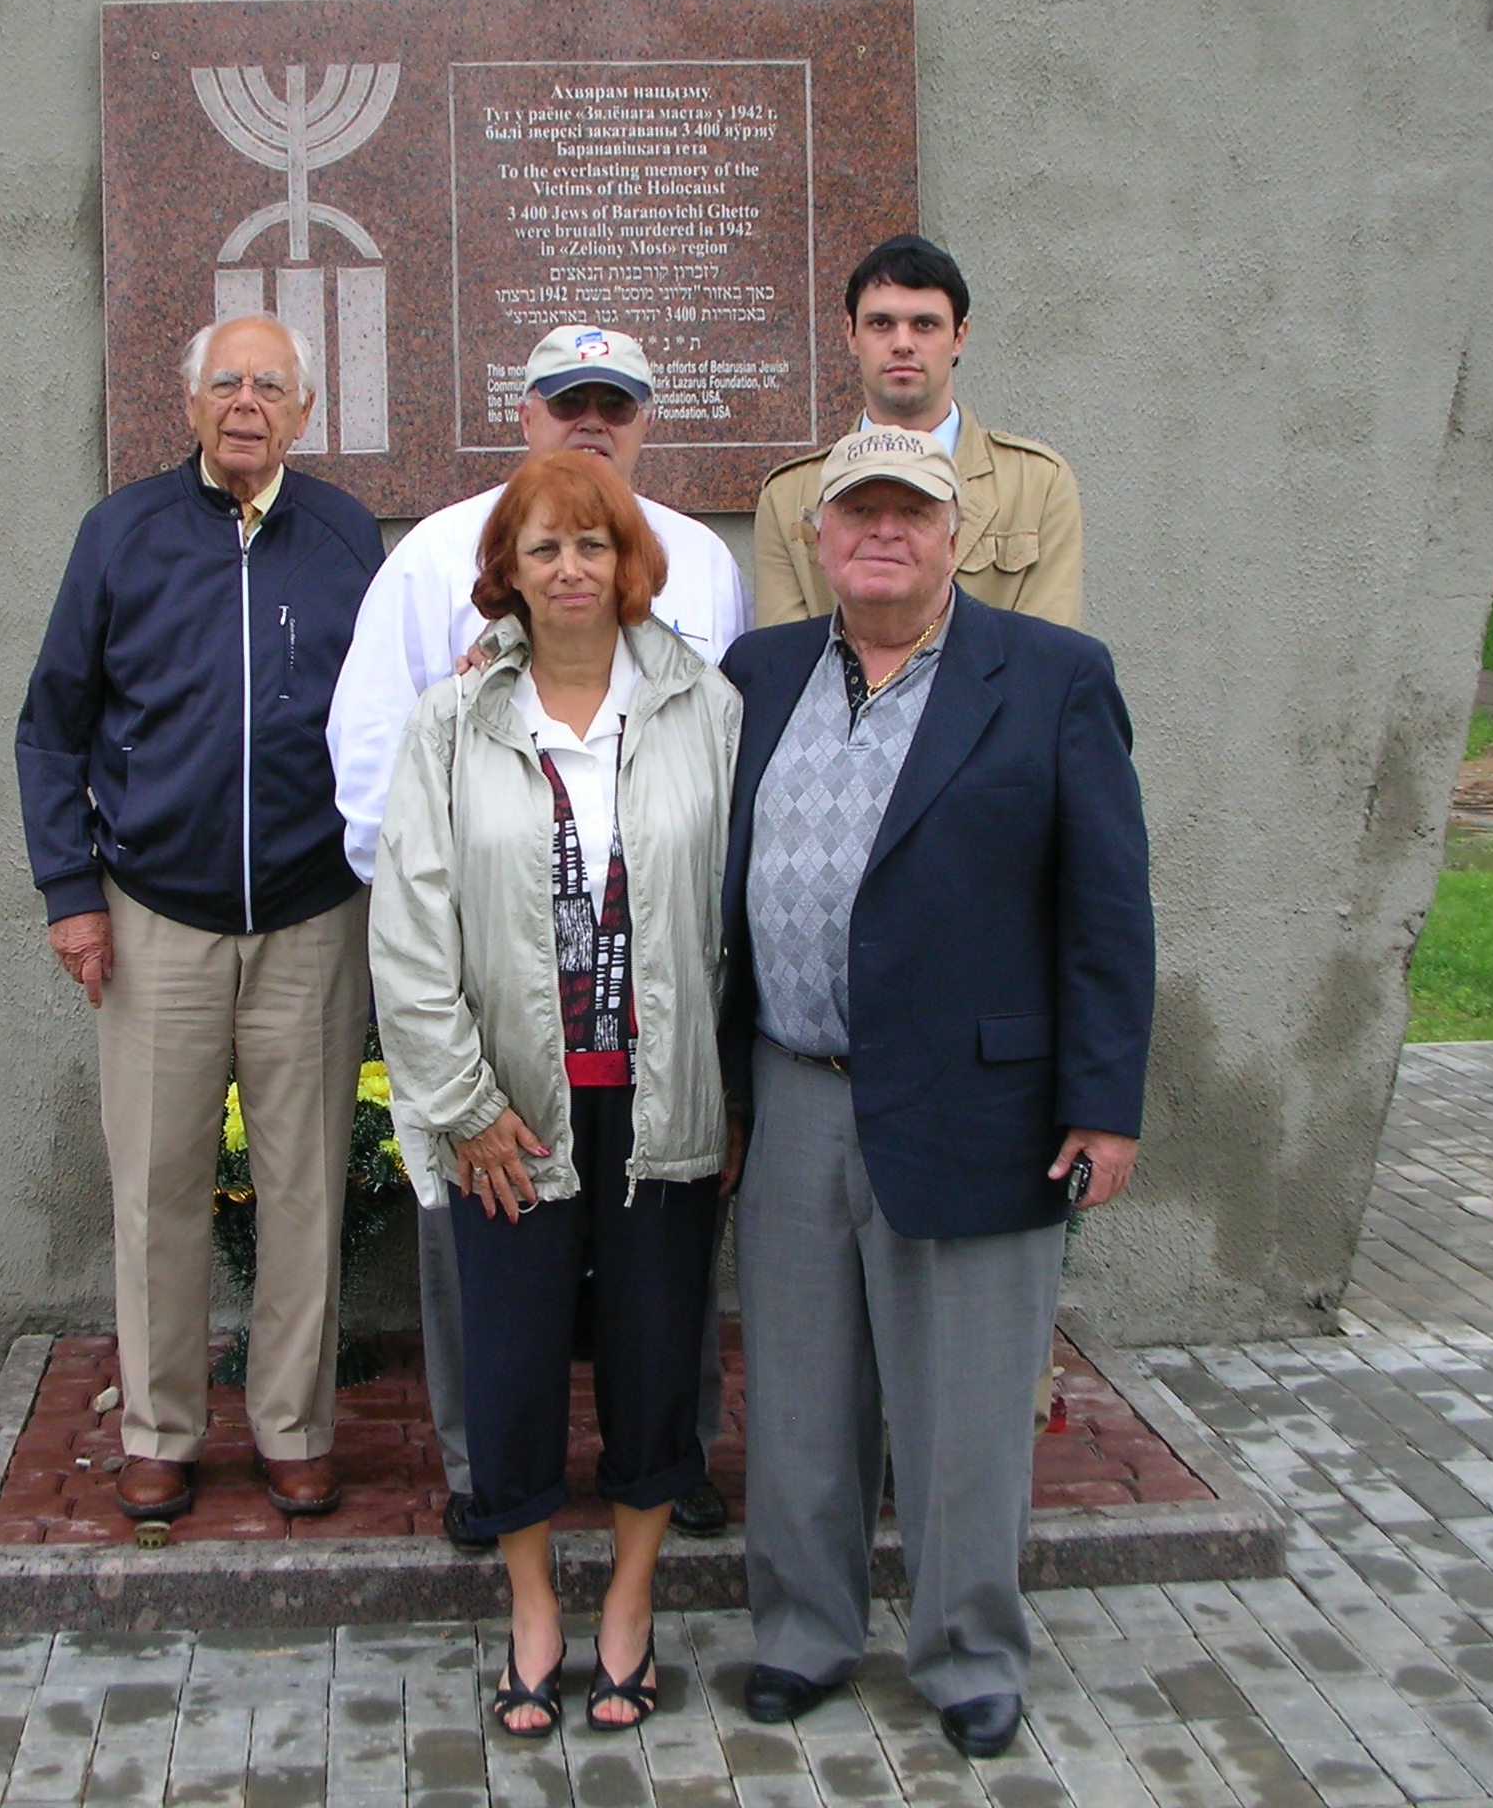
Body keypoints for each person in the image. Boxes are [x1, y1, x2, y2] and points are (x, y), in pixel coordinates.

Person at [716, 424, 1153, 1757]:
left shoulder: (1053, 677)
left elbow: (1106, 906)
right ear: (818, 538)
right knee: (799, 1398)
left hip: (977, 1101)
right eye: (858, 512)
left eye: (910, 512)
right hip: (792, 1090)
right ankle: (804, 1631)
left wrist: (1104, 1102)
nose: (882, 533)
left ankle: (968, 1653)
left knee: (966, 1404)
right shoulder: (758, 674)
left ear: (954, 535)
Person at [327, 324, 752, 1546]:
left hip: (649, 1023)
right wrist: (452, 975)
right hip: (494, 998)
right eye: (568, 402)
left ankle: (667, 1459)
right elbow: (376, 760)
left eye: (614, 404)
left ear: (644, 421)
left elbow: (717, 800)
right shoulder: (429, 556)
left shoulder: (700, 564)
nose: (590, 423)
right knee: (486, 1268)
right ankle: (485, 1469)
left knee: (660, 1275)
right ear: (523, 414)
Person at [368, 449, 743, 1736]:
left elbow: (737, 916)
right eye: (544, 547)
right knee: (513, 1366)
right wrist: (461, 1104)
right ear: (507, 572)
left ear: (630, 561)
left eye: (593, 543)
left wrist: (731, 1092)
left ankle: (629, 1604)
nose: (571, 568)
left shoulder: (705, 709)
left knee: (655, 1360)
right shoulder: (452, 721)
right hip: (511, 1109)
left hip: (661, 1103)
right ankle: (531, 1609)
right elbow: (409, 928)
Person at [14, 314, 384, 1526]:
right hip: (153, 917)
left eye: (269, 386)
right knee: (155, 1191)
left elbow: (385, 717)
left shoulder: (345, 538)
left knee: (303, 1191)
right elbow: (50, 729)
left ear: (304, 411)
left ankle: (293, 1430)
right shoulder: (120, 534)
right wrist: (72, 895)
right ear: (188, 405)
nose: (244, 403)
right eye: (224, 382)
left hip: (309, 916)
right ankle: (160, 1431)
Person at [754, 235, 1084, 628]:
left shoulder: (1037, 485)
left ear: (959, 337)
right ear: (851, 335)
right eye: (881, 324)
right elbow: (788, 655)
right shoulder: (789, 495)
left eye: (925, 325)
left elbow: (1047, 654)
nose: (902, 344)